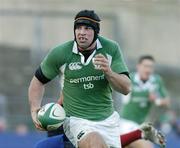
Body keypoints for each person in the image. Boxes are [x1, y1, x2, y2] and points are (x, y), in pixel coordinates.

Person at [29, 10, 165, 148]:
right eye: (78, 28)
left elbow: (126, 88)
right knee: (94, 141)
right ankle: (139, 134)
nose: (81, 32)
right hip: (76, 121)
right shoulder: (60, 53)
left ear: (96, 32)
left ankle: (139, 134)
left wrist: (109, 72)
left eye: (87, 28)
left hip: (108, 120)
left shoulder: (111, 49)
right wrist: (35, 110)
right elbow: (38, 80)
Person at [120, 55, 170, 148]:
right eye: (145, 66)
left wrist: (157, 100)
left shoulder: (156, 80)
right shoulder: (130, 79)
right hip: (127, 123)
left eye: (151, 67)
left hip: (143, 125)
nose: (148, 70)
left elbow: (167, 102)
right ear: (138, 66)